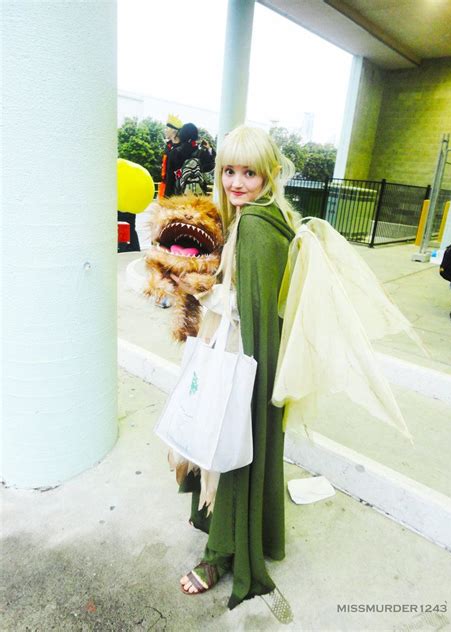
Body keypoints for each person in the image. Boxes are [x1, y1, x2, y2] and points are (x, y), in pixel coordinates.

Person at [172, 126, 300, 610]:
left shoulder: (253, 226)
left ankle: (221, 552)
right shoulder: (274, 218)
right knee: (236, 446)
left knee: (230, 449)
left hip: (241, 354)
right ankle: (236, 527)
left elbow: (244, 305)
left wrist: (195, 287)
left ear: (269, 174)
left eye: (250, 172)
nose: (237, 182)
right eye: (229, 171)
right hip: (256, 354)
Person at [159, 113, 183, 199]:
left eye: (167, 128)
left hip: (175, 190)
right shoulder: (168, 146)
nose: (165, 130)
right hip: (164, 186)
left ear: (174, 131)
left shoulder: (182, 149)